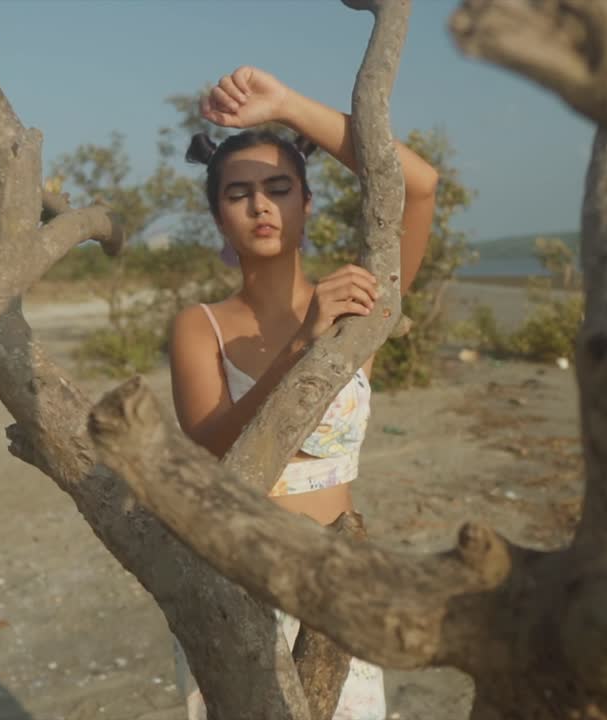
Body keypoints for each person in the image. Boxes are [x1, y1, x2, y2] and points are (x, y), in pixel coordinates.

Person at [167, 65, 439, 719]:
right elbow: (209, 450)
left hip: (339, 581)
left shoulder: (357, 306)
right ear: (217, 216)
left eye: (279, 187)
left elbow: (420, 186)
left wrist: (286, 106)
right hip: (234, 582)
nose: (261, 206)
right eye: (239, 194)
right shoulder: (198, 326)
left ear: (306, 203)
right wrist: (302, 344)